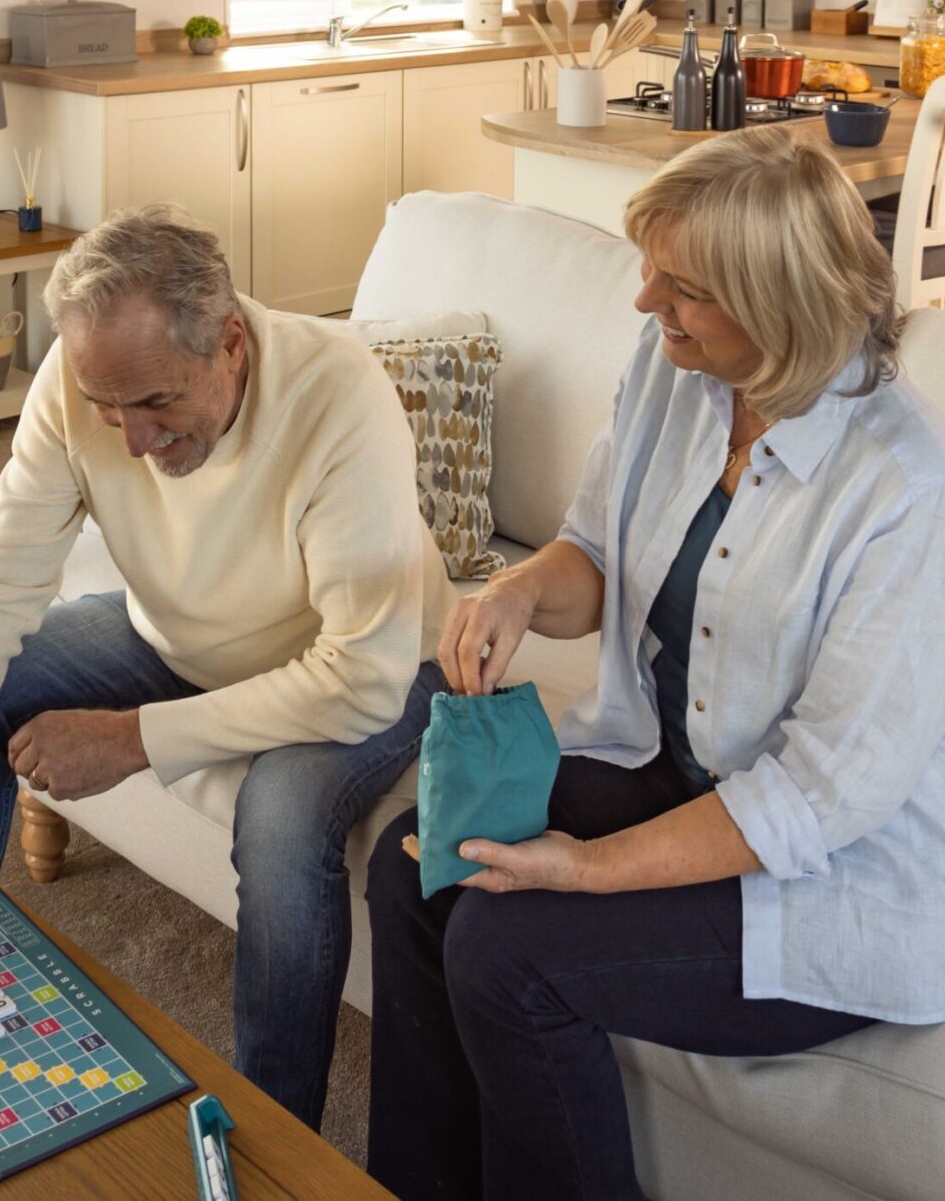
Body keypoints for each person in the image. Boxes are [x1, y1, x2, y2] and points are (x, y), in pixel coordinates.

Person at [366, 124, 945, 1201]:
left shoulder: (903, 489)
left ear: (778, 309)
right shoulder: (679, 371)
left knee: (506, 946)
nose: (643, 305)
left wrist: (581, 869)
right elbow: (594, 549)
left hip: (831, 874)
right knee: (419, 863)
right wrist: (519, 591)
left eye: (677, 288)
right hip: (675, 771)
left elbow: (820, 798)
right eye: (649, 272)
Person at [0, 206, 453, 1131]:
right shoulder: (84, 386)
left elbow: (361, 675)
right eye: (108, 408)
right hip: (178, 642)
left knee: (279, 819)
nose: (131, 440)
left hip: (365, 670)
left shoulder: (337, 393)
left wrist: (133, 740)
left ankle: (271, 1139)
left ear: (230, 342)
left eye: (157, 404)